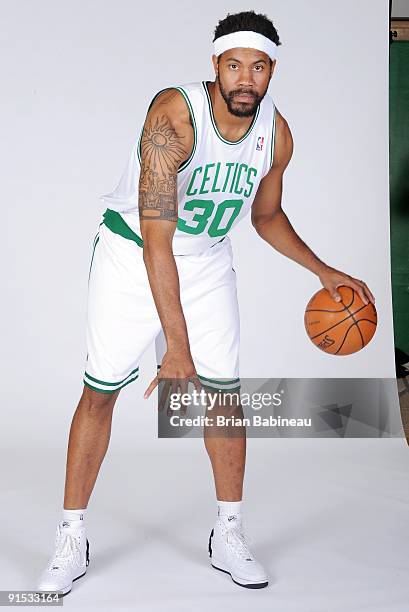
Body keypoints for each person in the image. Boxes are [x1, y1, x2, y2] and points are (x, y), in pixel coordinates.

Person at [36, 10, 375, 596]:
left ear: (272, 72)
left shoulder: (277, 134)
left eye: (260, 67)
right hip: (133, 253)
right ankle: (71, 536)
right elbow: (157, 240)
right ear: (215, 65)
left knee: (224, 397)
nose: (247, 78)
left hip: (207, 258)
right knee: (100, 390)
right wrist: (177, 346)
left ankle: (229, 533)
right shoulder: (174, 116)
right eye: (235, 65)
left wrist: (324, 272)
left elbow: (265, 217)